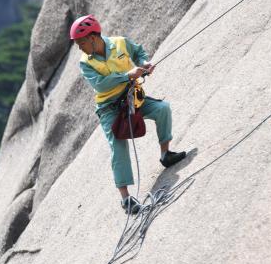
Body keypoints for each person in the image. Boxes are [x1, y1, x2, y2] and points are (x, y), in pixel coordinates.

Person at [72, 14, 186, 214]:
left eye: (80, 42)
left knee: (162, 109)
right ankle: (126, 199)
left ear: (92, 37)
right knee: (118, 145)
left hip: (133, 98)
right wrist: (127, 75)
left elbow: (138, 51)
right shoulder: (86, 63)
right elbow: (100, 84)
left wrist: (144, 63)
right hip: (109, 107)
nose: (79, 47)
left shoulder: (120, 43)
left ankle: (165, 154)